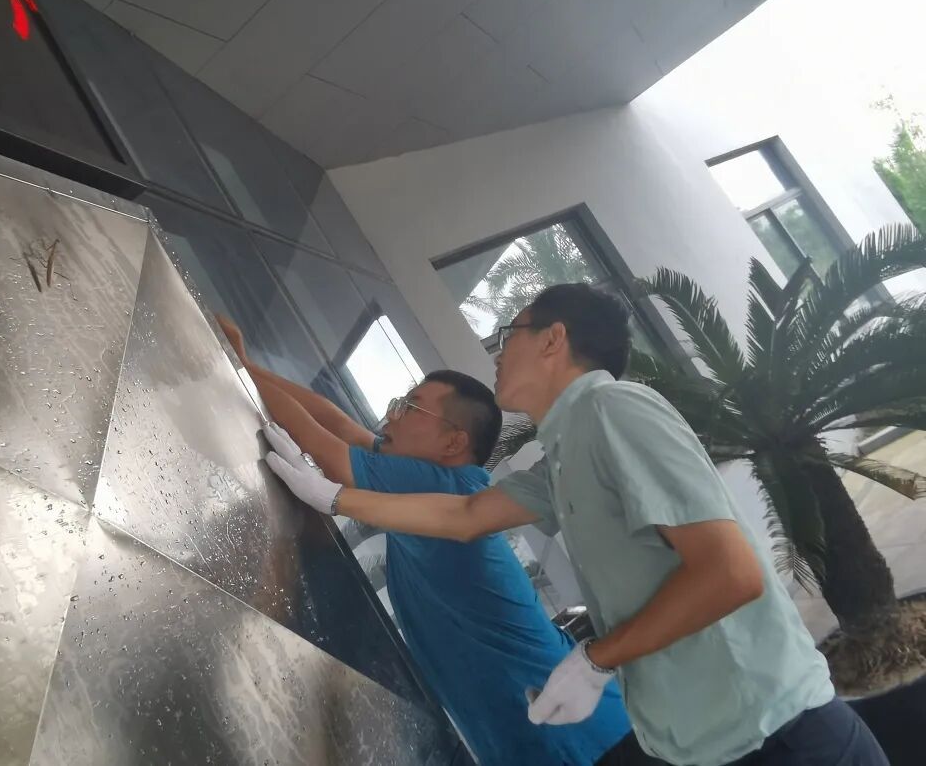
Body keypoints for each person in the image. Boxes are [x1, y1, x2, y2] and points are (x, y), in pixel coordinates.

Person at [262, 285, 890, 766]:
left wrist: (594, 660)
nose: (496, 349)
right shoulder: (563, 450)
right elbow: (466, 516)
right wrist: (334, 497)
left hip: (782, 738)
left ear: (552, 340)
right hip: (707, 748)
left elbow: (731, 573)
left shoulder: (613, 408)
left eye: (509, 332)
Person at [216, 314, 660, 766]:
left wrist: (238, 364)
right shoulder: (431, 487)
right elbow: (342, 427)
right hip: (574, 733)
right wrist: (247, 362)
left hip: (595, 744)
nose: (391, 416)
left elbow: (326, 447)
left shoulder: (445, 487)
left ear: (453, 444)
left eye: (410, 408)